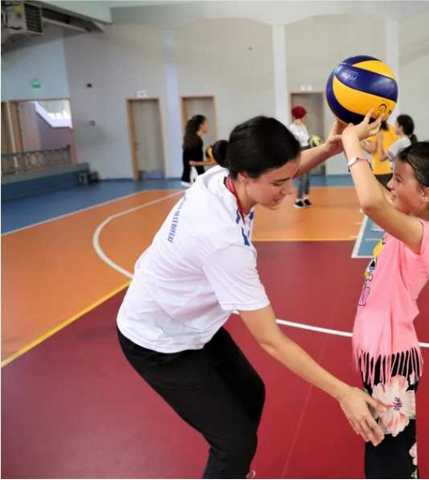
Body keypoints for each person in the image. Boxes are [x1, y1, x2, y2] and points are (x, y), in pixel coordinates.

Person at [117, 116, 386, 479]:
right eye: (279, 184)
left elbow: (276, 172)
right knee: (235, 441)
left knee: (251, 392)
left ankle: (233, 470)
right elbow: (271, 340)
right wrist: (343, 393)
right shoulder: (222, 240)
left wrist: (328, 148)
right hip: (157, 340)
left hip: (192, 323)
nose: (289, 191)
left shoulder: (222, 177)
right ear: (245, 176)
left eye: (288, 179)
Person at [341, 111, 429, 478]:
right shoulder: (407, 223)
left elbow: (371, 203)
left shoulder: (422, 234)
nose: (390, 184)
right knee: (384, 456)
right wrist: (357, 149)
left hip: (392, 363)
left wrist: (351, 145)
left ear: (425, 194)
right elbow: (374, 194)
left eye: (399, 179)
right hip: (381, 360)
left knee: (391, 464)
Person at [362, 120, 398, 189]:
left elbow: (371, 149)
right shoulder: (392, 129)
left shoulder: (375, 130)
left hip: (379, 170)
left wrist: (359, 141)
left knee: (382, 196)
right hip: (393, 169)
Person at [288, 105, 312, 208]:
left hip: (307, 149)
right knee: (303, 177)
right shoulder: (292, 127)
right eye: (304, 114)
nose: (305, 116)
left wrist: (312, 141)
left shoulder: (303, 126)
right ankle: (298, 200)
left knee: (308, 177)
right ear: (300, 115)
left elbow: (307, 139)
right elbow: (301, 139)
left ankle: (305, 197)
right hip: (300, 151)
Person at [181, 114, 209, 187]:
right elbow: (191, 162)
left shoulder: (194, 139)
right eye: (206, 123)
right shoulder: (196, 140)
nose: (207, 126)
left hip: (191, 177)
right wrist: (210, 162)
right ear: (201, 126)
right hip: (192, 177)